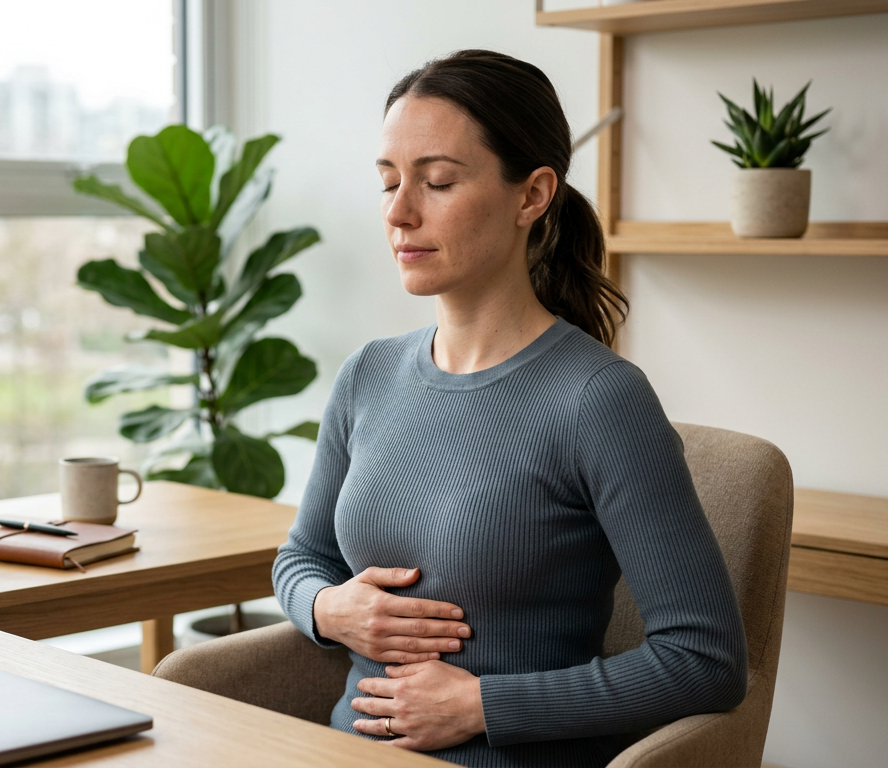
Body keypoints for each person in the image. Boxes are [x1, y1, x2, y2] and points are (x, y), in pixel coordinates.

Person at [271, 50, 747, 767]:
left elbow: (706, 659)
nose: (400, 212)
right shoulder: (368, 374)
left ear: (532, 196)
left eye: (437, 182)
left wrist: (483, 706)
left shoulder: (600, 401)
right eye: (388, 182)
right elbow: (303, 557)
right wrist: (326, 609)